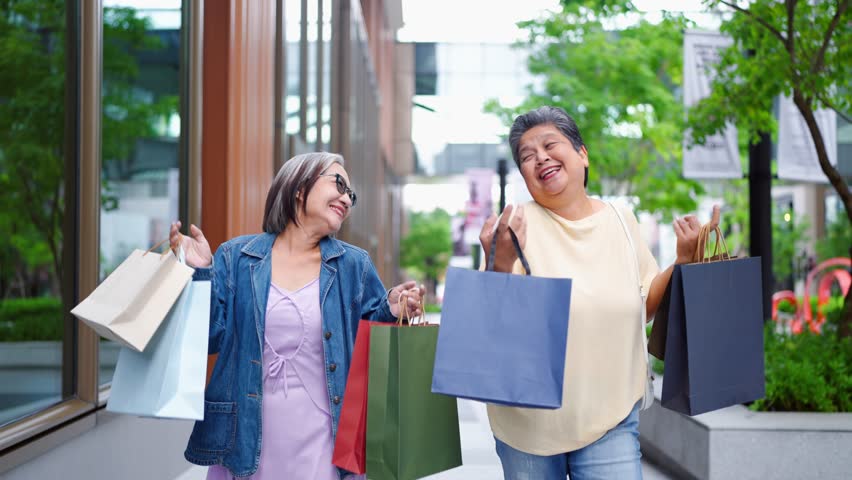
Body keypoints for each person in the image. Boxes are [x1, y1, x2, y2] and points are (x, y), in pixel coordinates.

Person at [479, 106, 720, 480]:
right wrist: (498, 263)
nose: (540, 158)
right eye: (527, 156)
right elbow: (491, 324)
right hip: (528, 428)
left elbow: (645, 306)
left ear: (582, 154)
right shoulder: (516, 226)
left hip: (611, 416)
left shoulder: (620, 220)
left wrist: (683, 259)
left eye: (550, 145)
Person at [171, 152, 424, 479]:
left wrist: (392, 308)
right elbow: (209, 337)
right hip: (246, 440)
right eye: (339, 183)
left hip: (324, 440)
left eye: (351, 194)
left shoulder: (352, 265)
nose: (347, 197)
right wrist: (201, 272)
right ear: (299, 188)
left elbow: (372, 349)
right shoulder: (237, 257)